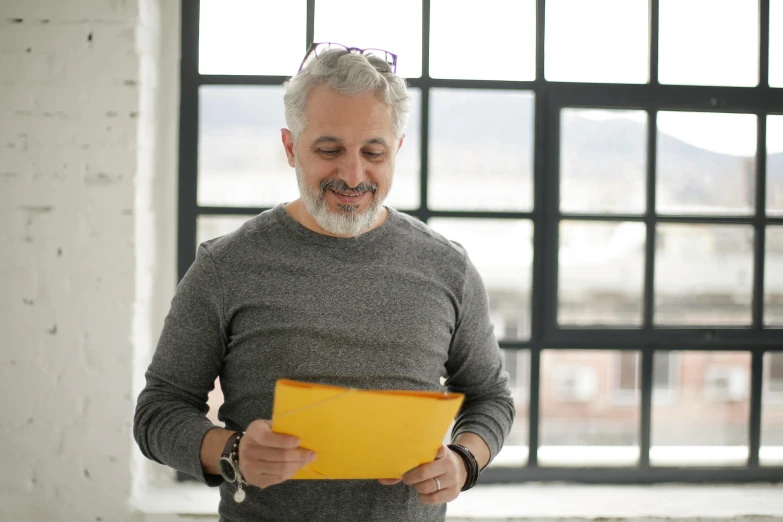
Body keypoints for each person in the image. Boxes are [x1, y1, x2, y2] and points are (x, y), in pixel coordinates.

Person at [133, 42, 515, 522]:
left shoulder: (448, 268)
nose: (352, 175)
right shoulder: (226, 266)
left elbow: (491, 397)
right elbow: (157, 413)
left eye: (373, 152)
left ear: (396, 148)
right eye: (329, 150)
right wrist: (231, 452)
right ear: (291, 146)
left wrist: (463, 460)